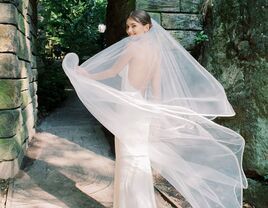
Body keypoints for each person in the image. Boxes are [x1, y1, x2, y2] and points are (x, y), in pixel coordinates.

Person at [62, 10, 248, 208]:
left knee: (128, 157)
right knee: (139, 156)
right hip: (143, 109)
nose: (130, 31)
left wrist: (86, 75)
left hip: (128, 108)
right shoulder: (156, 53)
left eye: (134, 26)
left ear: (147, 27)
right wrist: (156, 112)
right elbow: (156, 88)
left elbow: (112, 71)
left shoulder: (131, 49)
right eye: (128, 27)